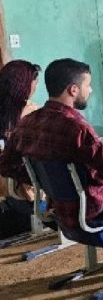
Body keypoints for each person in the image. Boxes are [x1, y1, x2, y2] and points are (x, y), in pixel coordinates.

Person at [0, 59, 103, 252]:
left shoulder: (26, 123)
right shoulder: (76, 127)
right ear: (73, 90)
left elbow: (5, 164)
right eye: (88, 85)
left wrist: (40, 180)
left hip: (55, 207)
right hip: (92, 208)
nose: (91, 90)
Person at [0, 60, 41, 239]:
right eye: (34, 81)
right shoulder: (30, 111)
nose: (36, 85)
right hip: (27, 186)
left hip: (6, 185)